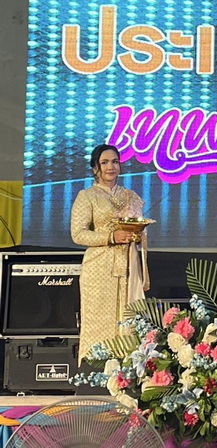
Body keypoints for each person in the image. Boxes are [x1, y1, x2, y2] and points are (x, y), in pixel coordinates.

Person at [71, 144, 149, 362]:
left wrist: (138, 235)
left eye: (115, 162)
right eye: (104, 162)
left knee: (129, 319)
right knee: (100, 322)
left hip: (128, 265)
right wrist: (111, 237)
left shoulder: (130, 196)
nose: (110, 167)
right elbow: (78, 234)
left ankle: (129, 369)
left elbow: (140, 228)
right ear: (95, 167)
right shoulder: (87, 196)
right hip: (99, 268)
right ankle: (97, 368)